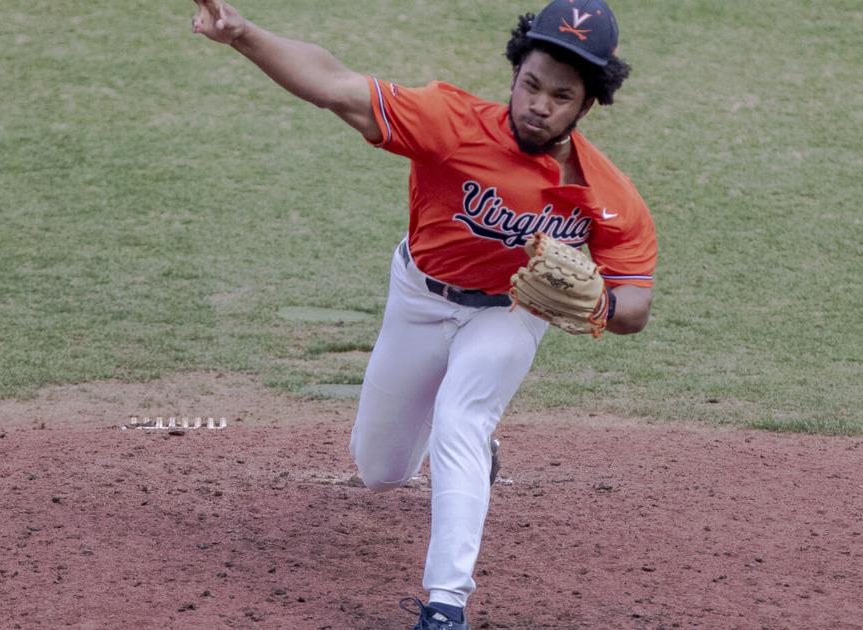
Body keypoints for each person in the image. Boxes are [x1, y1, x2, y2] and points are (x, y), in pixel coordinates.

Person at [190, 0, 656, 627]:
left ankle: (446, 606)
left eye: (561, 96)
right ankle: (473, 453)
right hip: (420, 296)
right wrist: (242, 35)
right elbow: (333, 85)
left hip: (508, 314)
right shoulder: (450, 122)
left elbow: (636, 308)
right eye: (531, 85)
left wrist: (600, 302)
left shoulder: (609, 197)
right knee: (380, 470)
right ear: (514, 76)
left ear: (586, 105)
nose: (539, 105)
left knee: (458, 421)